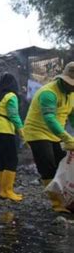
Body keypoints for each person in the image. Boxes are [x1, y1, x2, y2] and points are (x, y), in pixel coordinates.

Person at [24, 61, 74, 213]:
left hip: (54, 134)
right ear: (64, 80)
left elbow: (72, 117)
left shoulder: (72, 95)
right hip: (37, 132)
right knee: (48, 165)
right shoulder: (49, 93)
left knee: (61, 164)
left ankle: (66, 198)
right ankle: (57, 203)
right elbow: (50, 119)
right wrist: (66, 137)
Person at [0, 73, 25, 201]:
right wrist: (21, 131)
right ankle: (8, 191)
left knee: (2, 160)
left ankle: (2, 191)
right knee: (12, 159)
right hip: (4, 129)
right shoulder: (11, 96)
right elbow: (13, 114)